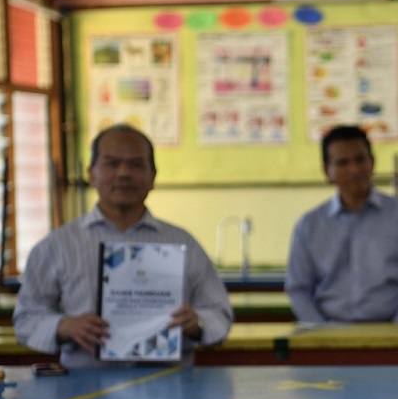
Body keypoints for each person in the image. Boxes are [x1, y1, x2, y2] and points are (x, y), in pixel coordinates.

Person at [13, 124, 233, 368]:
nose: (123, 173)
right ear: (91, 174)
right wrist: (64, 326)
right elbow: (26, 318)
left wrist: (197, 323)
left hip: (170, 387)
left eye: (136, 165)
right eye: (111, 163)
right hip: (83, 392)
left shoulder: (184, 244)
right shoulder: (56, 246)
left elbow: (219, 315)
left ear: (153, 177)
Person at [286, 125, 398, 323]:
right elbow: (298, 288)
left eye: (360, 160)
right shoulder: (309, 225)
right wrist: (321, 333)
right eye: (342, 163)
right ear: (327, 171)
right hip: (329, 334)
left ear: (372, 162)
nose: (354, 169)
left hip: (391, 331)